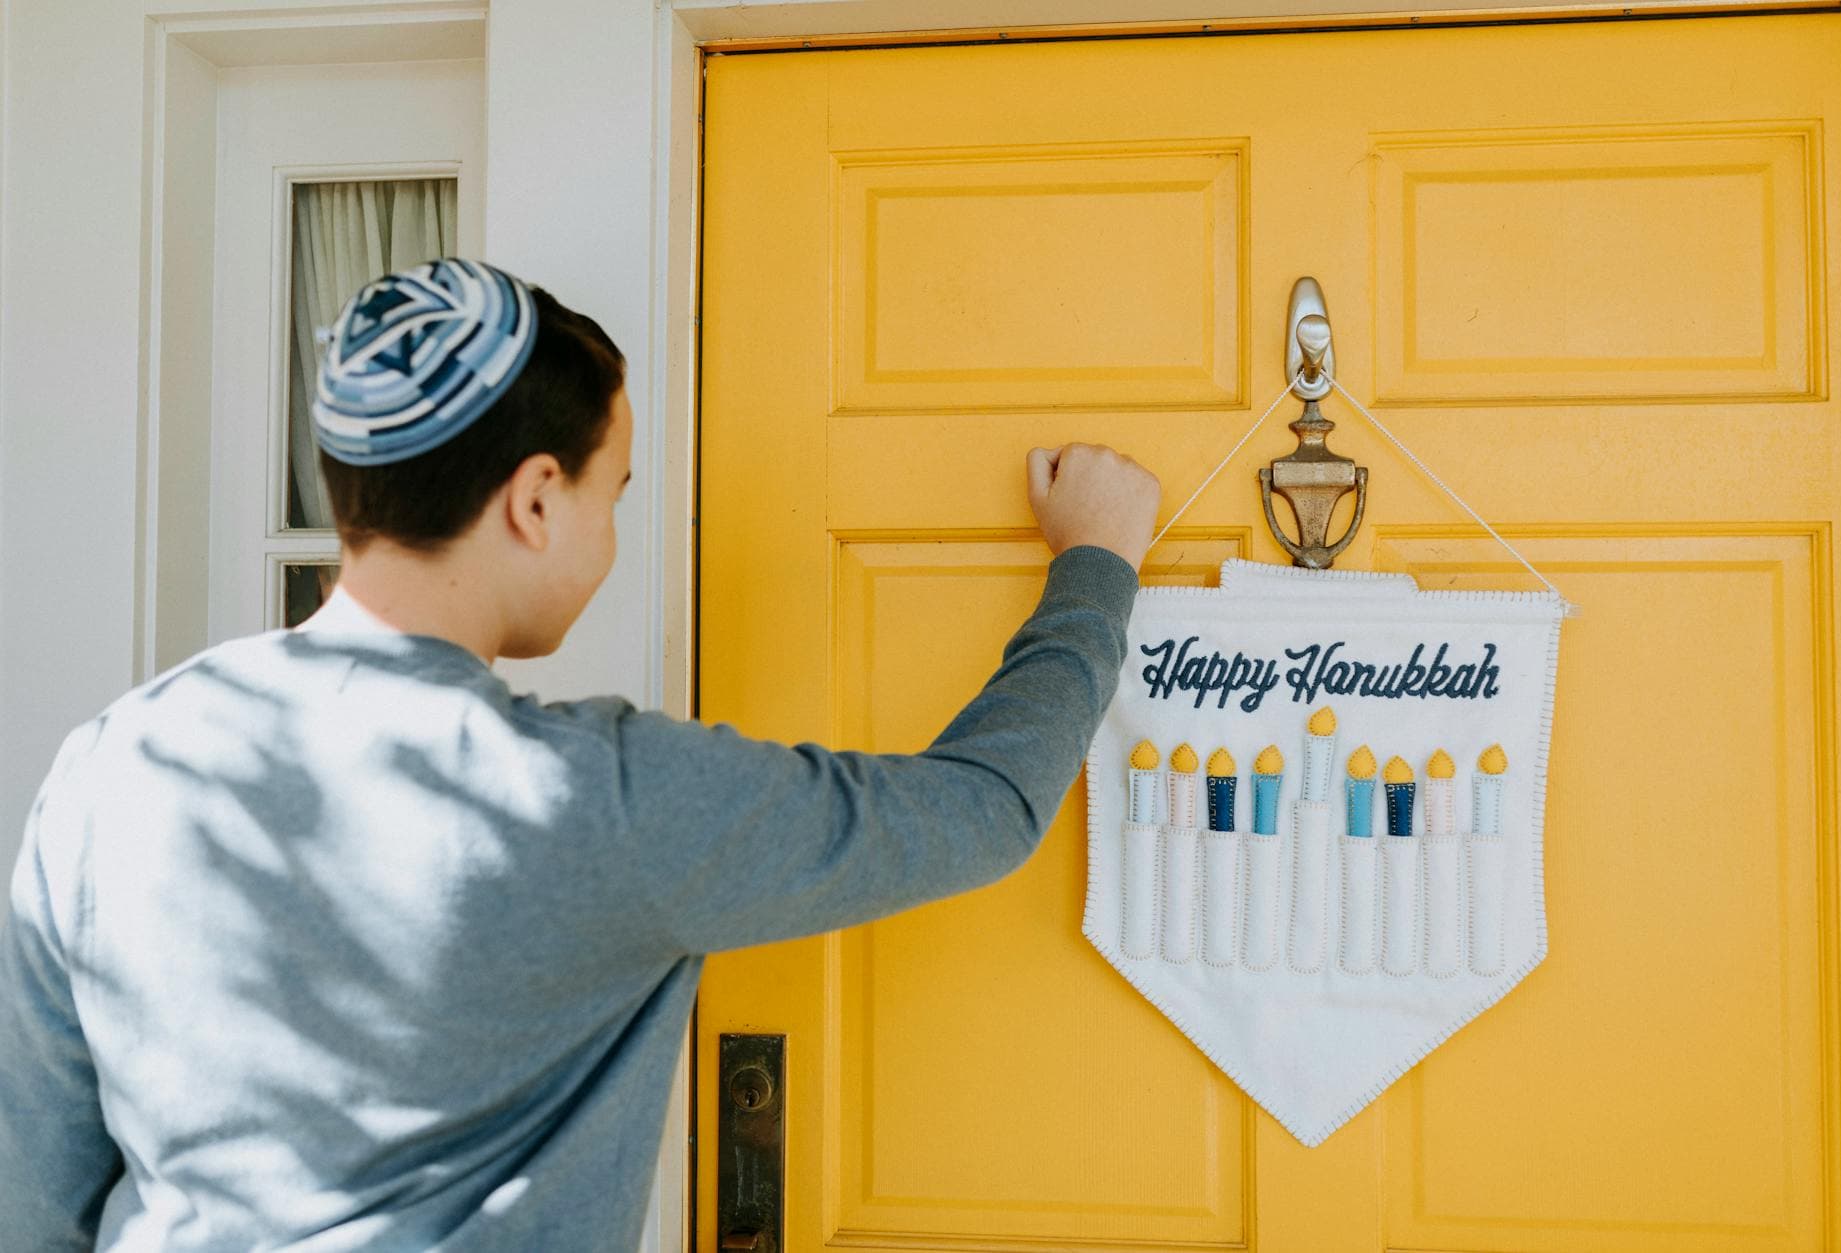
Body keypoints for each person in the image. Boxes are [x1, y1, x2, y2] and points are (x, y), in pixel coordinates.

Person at [0, 258, 1159, 1249]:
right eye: (617, 489)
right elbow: (981, 810)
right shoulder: (593, 798)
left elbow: (36, 1197)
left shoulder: (112, 765)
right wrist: (1095, 563)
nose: (610, 529)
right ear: (537, 498)